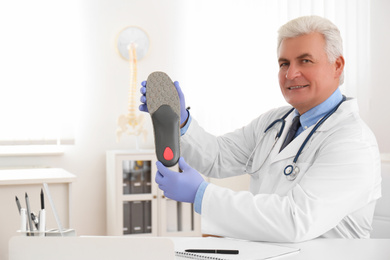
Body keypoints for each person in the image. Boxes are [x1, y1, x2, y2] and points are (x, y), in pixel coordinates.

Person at [139, 15, 381, 242]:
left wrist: (202, 194)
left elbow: (295, 220)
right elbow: (218, 157)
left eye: (305, 61)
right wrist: (181, 121)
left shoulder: (353, 142)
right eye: (284, 63)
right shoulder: (274, 123)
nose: (291, 73)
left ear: (337, 66)